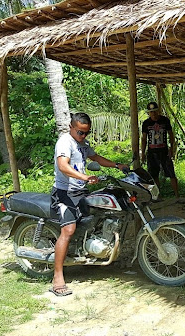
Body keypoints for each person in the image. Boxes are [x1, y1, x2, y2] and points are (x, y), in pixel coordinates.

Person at [50, 112, 128, 296]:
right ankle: (57, 276)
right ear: (71, 127)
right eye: (80, 132)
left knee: (96, 218)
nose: (83, 136)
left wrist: (117, 165)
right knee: (68, 230)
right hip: (64, 193)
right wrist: (84, 176)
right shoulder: (65, 142)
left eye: (86, 133)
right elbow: (63, 165)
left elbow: (97, 158)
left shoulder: (83, 144)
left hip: (81, 191)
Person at [141, 101, 181, 200]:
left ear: (158, 111)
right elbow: (144, 139)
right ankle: (158, 195)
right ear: (148, 113)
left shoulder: (165, 120)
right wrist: (142, 152)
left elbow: (171, 135)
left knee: (171, 173)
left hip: (164, 151)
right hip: (151, 152)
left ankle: (177, 195)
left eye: (155, 111)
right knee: (154, 175)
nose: (153, 114)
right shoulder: (146, 123)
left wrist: (172, 148)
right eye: (151, 112)